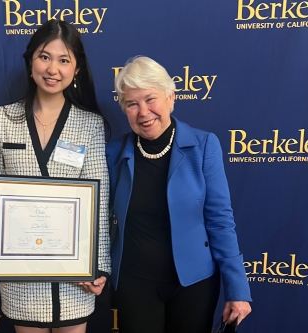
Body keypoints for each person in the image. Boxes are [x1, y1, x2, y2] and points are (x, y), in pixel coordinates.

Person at [0, 20, 111, 333]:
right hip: (21, 277)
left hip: (76, 278)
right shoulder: (1, 119)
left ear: (77, 69)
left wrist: (98, 266)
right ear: (30, 61)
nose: (52, 69)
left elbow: (98, 203)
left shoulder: (90, 125)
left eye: (64, 60)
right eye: (44, 57)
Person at [106, 56, 252, 333]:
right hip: (134, 284)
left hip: (194, 285)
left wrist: (238, 289)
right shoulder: (112, 152)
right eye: (132, 104)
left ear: (171, 97)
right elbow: (96, 217)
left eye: (151, 99)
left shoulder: (204, 145)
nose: (143, 112)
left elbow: (220, 220)